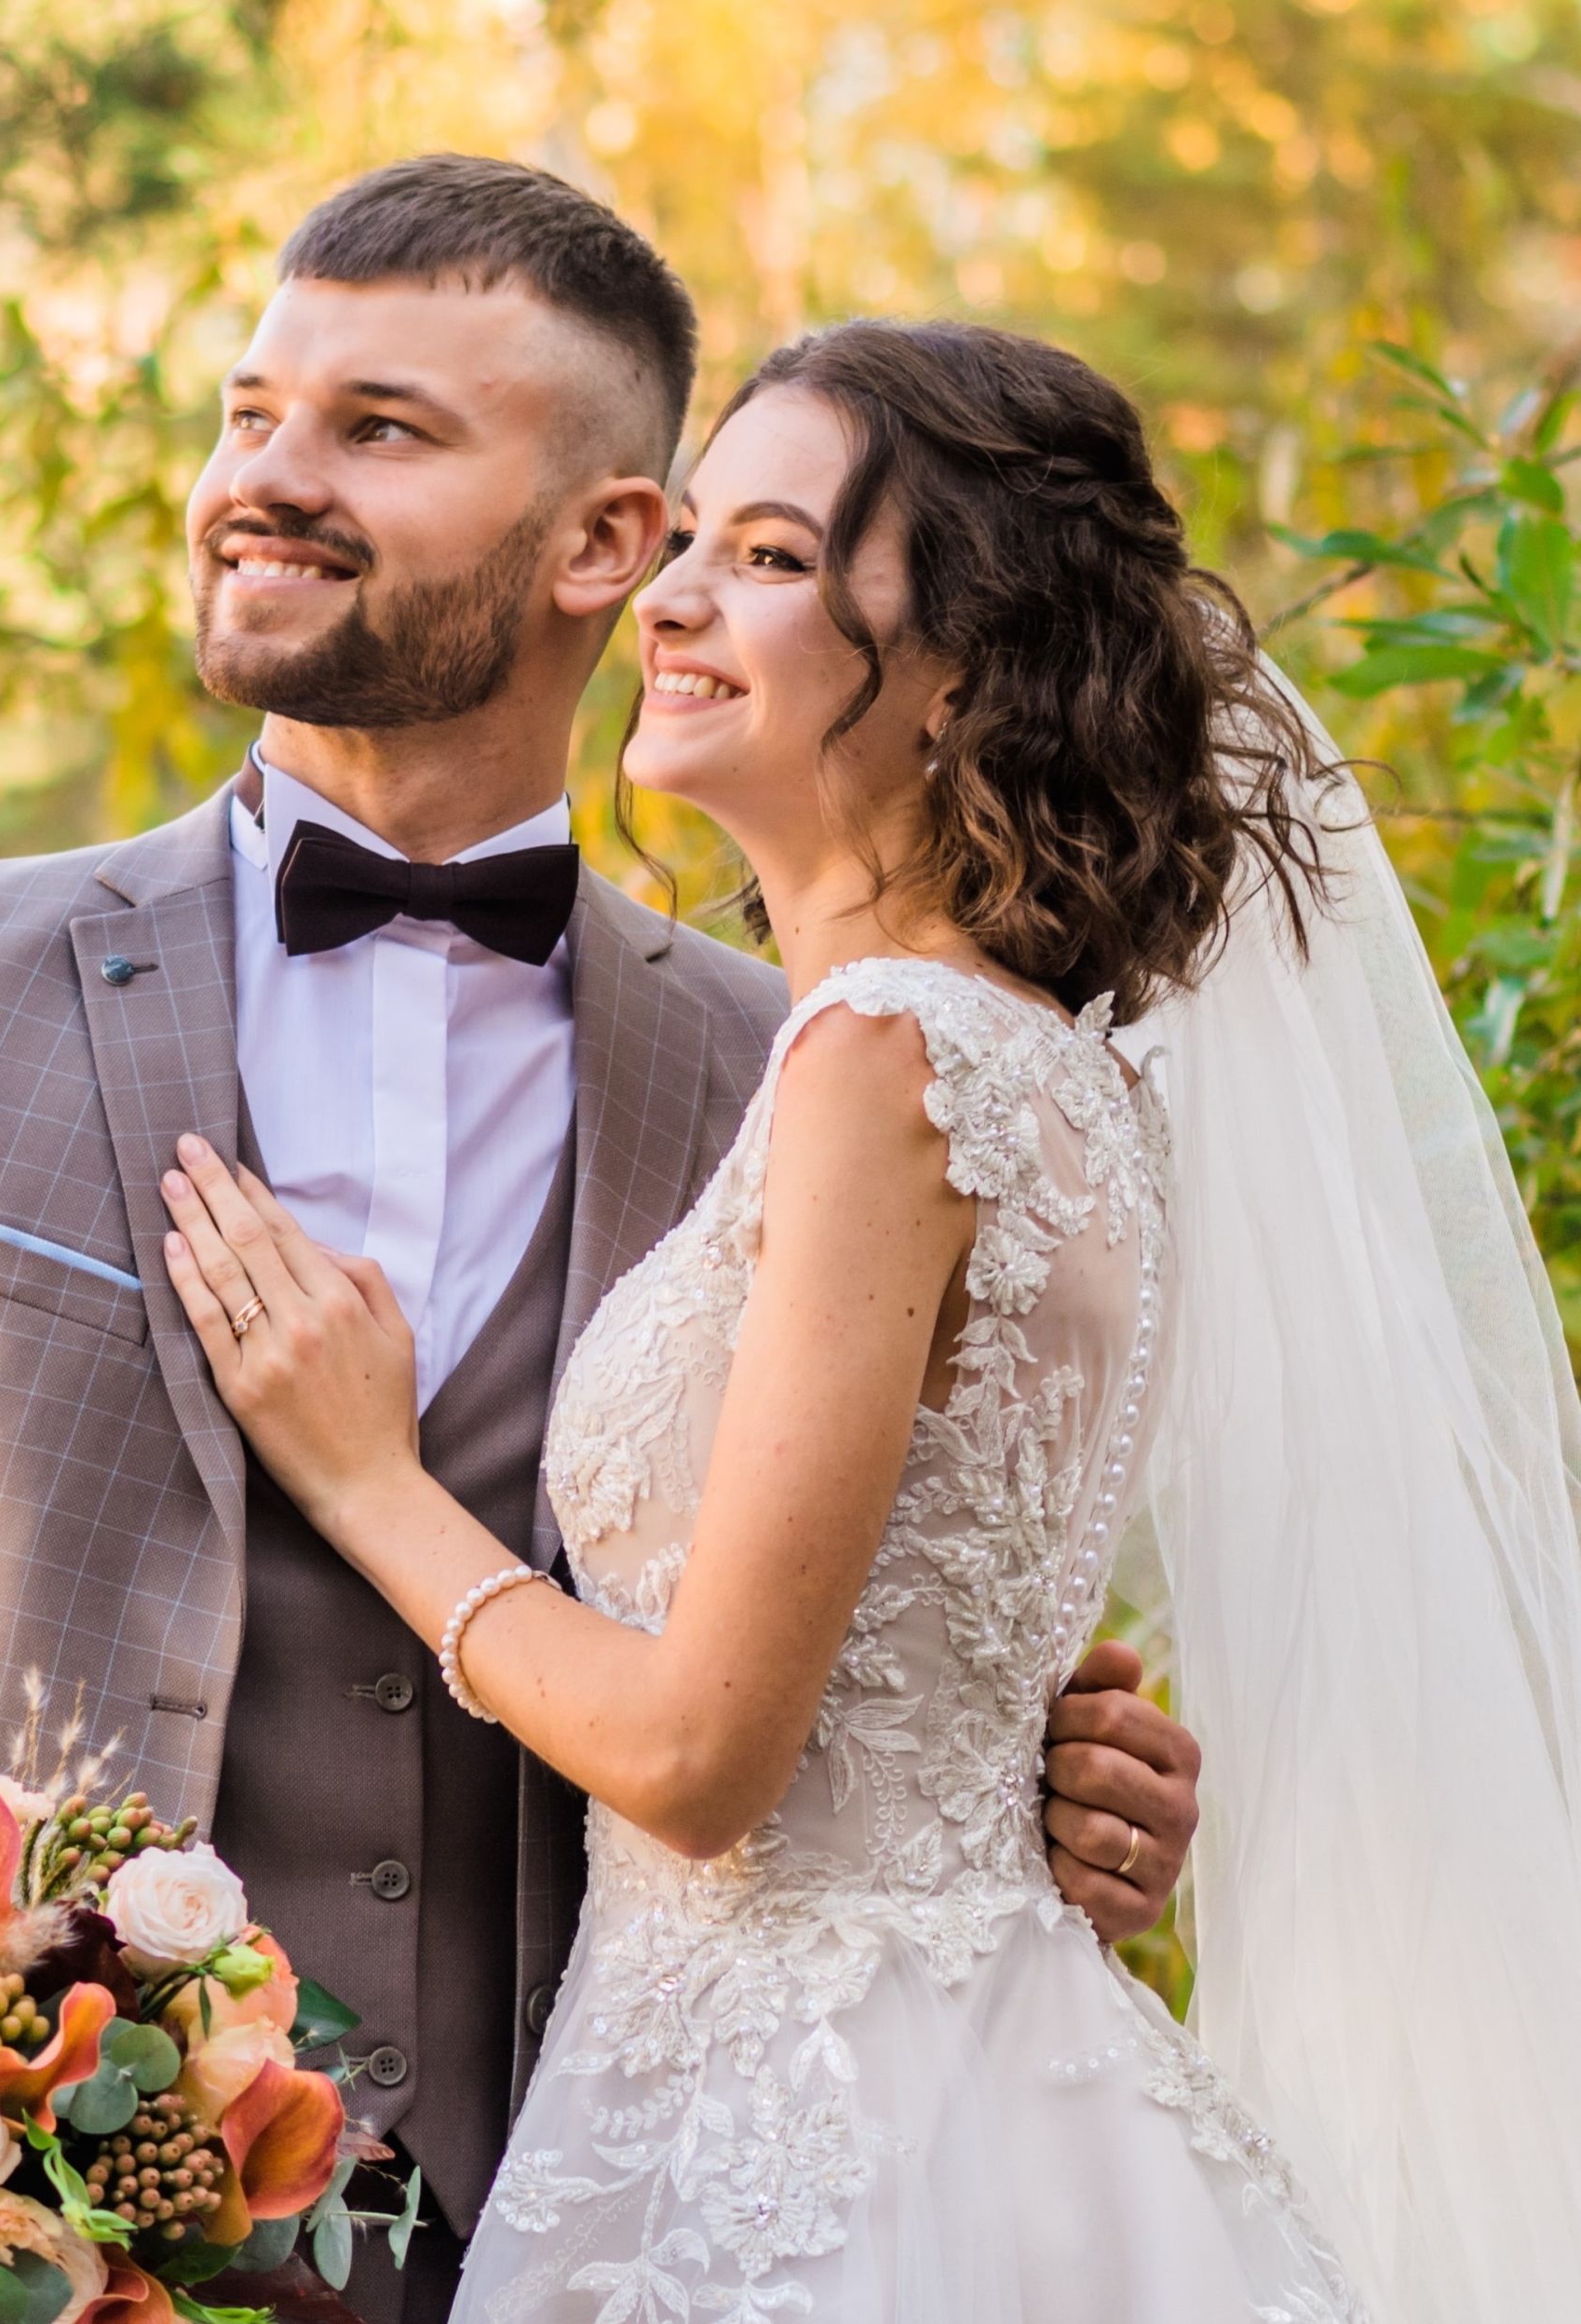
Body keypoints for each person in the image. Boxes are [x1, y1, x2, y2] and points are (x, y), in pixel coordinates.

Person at [0, 157, 1207, 2324]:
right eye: (251, 412)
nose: (268, 480)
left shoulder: (796, 1054)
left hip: (609, 2218)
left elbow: (829, 1665)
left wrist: (1044, 1794)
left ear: (608, 544)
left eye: (378, 431)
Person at [161, 317, 1581, 2317]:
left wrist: (366, 1476)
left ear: (953, 674)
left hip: (804, 2141)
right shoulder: (1052, 1075)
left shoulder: (883, 1065)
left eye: (763, 557)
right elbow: (925, 1643)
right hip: (971, 2077)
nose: (669, 599)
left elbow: (697, 1757)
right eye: (690, 546)